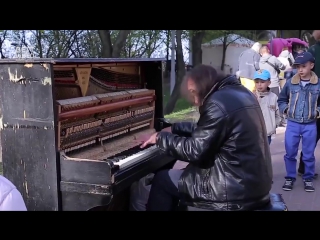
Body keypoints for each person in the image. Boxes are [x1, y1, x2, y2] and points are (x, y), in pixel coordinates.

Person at [140, 64, 273, 211]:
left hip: (232, 192)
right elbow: (212, 129)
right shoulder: (241, 93)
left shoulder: (217, 102)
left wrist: (160, 138)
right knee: (184, 173)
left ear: (195, 89)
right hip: (251, 184)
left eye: (192, 95)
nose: (196, 103)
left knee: (163, 179)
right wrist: (174, 128)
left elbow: (195, 151)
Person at [278, 51, 320, 192]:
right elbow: (282, 99)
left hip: (310, 125)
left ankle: (308, 178)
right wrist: (285, 110)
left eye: (303, 66)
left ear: (311, 65)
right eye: (297, 66)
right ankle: (290, 177)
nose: (300, 69)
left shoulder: (318, 84)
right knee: (290, 152)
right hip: (293, 124)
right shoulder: (290, 83)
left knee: (308, 154)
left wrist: (317, 112)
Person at [298, 30, 320, 178]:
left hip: (314, 98)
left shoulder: (312, 51)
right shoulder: (313, 51)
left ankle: (304, 167)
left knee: (312, 135)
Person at [253, 69, 281, 145]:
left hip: (267, 133)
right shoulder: (251, 96)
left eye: (262, 82)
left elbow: (278, 114)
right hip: (253, 133)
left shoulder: (273, 97)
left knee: (265, 154)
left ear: (269, 83)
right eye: (257, 82)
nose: (259, 84)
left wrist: (274, 125)